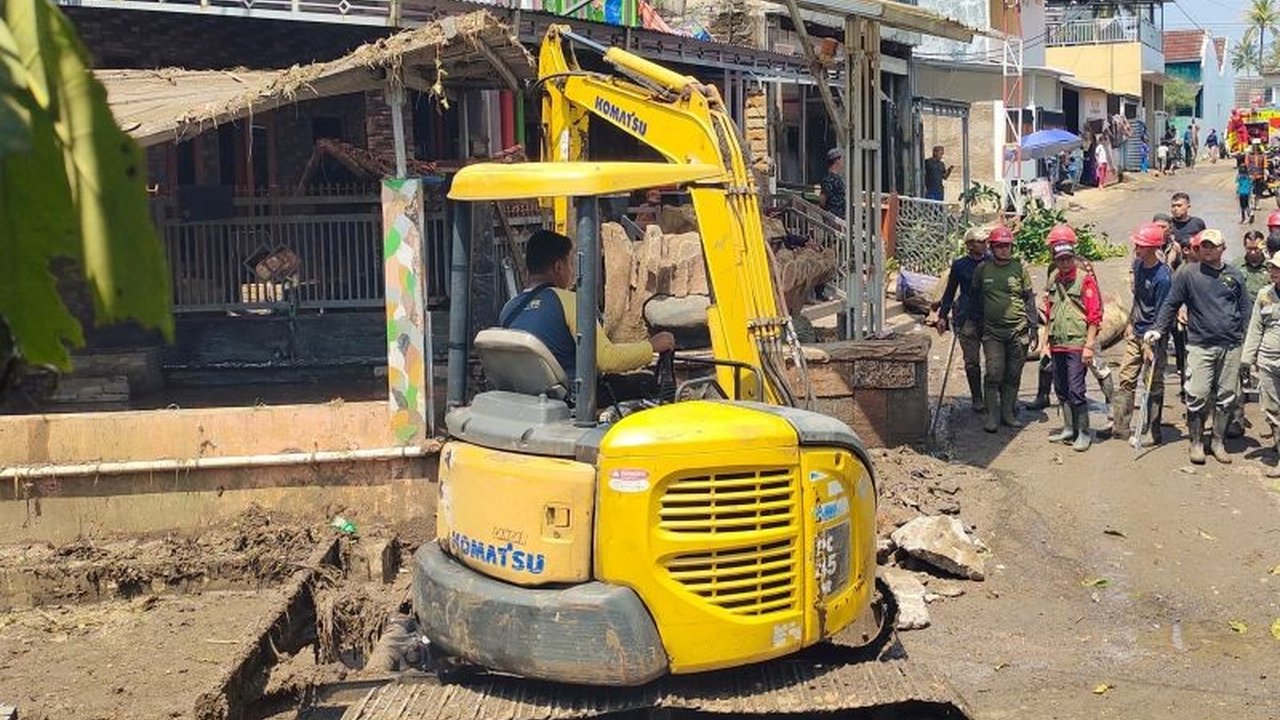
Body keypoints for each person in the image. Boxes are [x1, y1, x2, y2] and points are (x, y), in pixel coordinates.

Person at [500, 229, 675, 394]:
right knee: (647, 383)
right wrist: (652, 346)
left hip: (526, 397)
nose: (572, 271)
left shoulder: (509, 309)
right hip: (572, 400)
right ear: (559, 267)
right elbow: (608, 360)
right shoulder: (571, 302)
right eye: (570, 263)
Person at [1145, 229, 1251, 465]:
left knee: (1226, 396)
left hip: (1231, 345)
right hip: (1200, 345)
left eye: (1213, 246)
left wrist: (1248, 343)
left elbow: (1245, 309)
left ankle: (1218, 442)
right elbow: (1171, 303)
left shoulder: (1234, 274)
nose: (1208, 249)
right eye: (1204, 245)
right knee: (1197, 394)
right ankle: (1196, 443)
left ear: (1223, 248)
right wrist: (1158, 328)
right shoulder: (1188, 274)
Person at [1042, 226, 1103, 451]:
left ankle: (1084, 432)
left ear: (1073, 257)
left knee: (1077, 389)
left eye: (1068, 258)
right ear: (1055, 260)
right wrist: (1045, 344)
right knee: (1061, 387)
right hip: (1057, 342)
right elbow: (1049, 312)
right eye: (1061, 259)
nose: (1065, 263)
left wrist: (1089, 345)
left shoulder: (1085, 279)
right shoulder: (1053, 279)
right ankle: (1069, 428)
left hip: (1077, 342)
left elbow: (1095, 314)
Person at [972, 225, 1038, 433]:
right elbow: (974, 299)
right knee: (993, 373)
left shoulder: (1020, 269)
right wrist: (971, 323)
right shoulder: (982, 269)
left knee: (1013, 374)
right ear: (992, 248)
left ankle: (1007, 414)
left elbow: (1029, 299)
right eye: (999, 246)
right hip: (992, 332)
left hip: (1018, 330)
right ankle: (992, 416)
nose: (1003, 250)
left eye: (1007, 246)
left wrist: (1034, 326)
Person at [1115, 222, 1173, 446]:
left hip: (1154, 337)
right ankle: (1120, 426)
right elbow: (1138, 298)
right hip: (1136, 331)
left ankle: (1152, 430)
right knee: (1126, 376)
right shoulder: (1138, 266)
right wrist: (1131, 321)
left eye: (1140, 245)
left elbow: (1163, 312)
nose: (1136, 248)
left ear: (1153, 248)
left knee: (1152, 382)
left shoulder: (1163, 277)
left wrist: (1151, 343)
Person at [936, 227, 991, 412]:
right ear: (969, 245)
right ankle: (977, 397)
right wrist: (942, 315)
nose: (984, 245)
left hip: (990, 316)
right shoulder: (960, 265)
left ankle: (992, 397)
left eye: (985, 241)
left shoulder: (992, 262)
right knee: (972, 361)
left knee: (994, 362)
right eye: (979, 242)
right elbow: (950, 290)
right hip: (967, 317)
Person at [1241, 251, 1280, 476]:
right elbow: (1256, 327)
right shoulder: (1265, 295)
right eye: (1272, 267)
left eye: (1278, 269)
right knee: (1272, 408)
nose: (1273, 271)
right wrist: (1247, 359)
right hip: (1268, 361)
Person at [819, 147, 846, 218]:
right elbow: (822, 199)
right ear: (837, 160)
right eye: (841, 159)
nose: (843, 162)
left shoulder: (835, 178)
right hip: (832, 217)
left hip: (839, 216)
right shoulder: (828, 179)